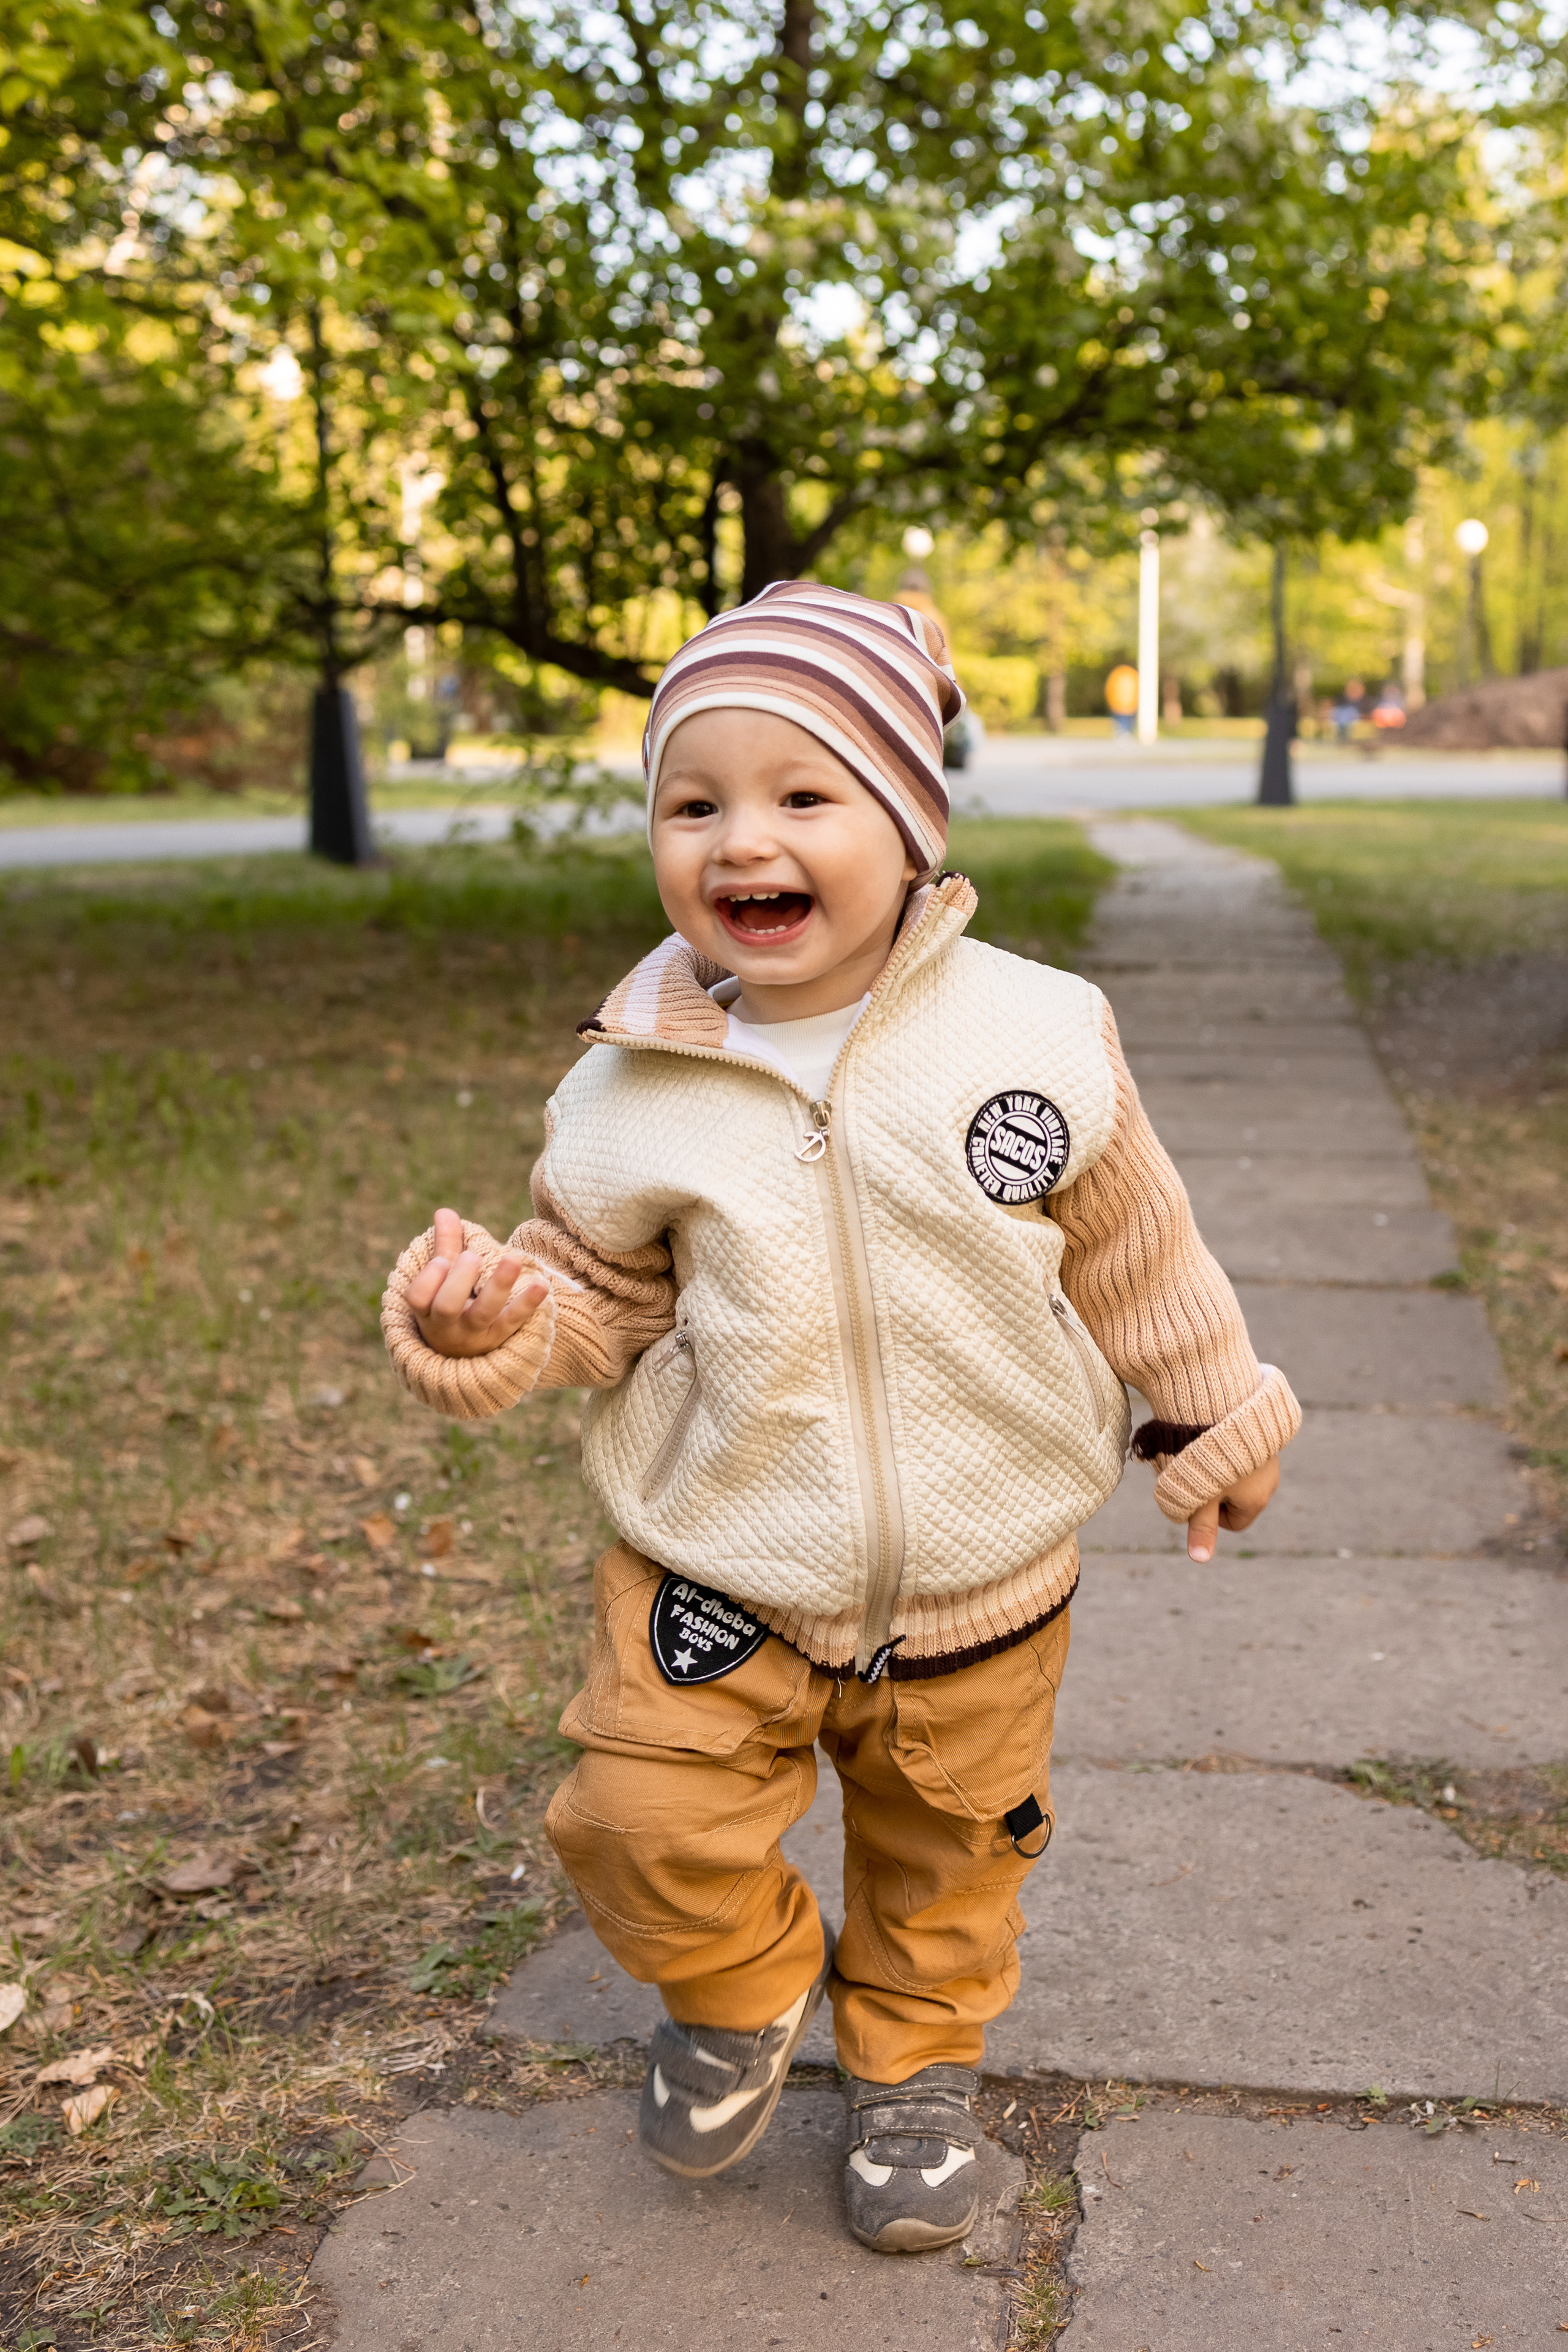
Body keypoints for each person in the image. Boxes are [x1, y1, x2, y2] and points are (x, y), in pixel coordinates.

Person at [381, 582, 1300, 2256]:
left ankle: (914, 2071)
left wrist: (1218, 1410)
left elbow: (1139, 1253)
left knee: (951, 1859)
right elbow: (599, 1299)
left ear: (906, 818)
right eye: (694, 800)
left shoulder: (1034, 1034)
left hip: (983, 1577)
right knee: (637, 1818)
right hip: (716, 1555)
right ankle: (741, 1988)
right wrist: (499, 1321)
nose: (744, 839)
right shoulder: (625, 1087)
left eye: (804, 795)